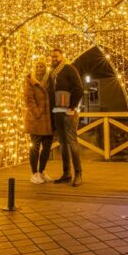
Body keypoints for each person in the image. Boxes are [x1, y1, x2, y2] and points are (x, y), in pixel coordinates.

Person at [47, 48, 84, 187]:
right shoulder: (51, 73)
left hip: (69, 112)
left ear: (62, 57)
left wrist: (72, 106)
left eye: (56, 56)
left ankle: (78, 173)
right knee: (62, 143)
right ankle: (66, 173)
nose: (53, 59)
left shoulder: (69, 69)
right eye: (52, 57)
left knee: (72, 142)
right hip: (57, 112)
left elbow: (79, 88)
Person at [23, 59, 53, 184]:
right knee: (35, 147)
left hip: (48, 120)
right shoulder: (30, 81)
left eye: (42, 66)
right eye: (38, 66)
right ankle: (34, 173)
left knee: (47, 147)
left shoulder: (49, 81)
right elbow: (29, 100)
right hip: (36, 119)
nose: (40, 68)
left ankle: (42, 171)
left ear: (46, 68)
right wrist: (37, 113)